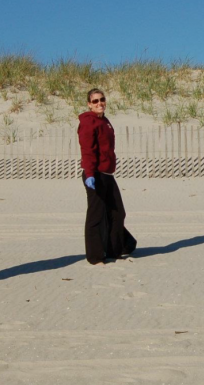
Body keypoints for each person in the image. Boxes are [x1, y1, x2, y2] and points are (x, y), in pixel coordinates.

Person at [77, 88, 136, 265]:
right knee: (96, 215)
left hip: (107, 174)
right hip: (94, 174)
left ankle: (114, 249)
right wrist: (89, 174)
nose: (99, 104)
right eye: (95, 101)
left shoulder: (105, 121)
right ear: (89, 104)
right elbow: (87, 151)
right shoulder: (88, 122)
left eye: (101, 100)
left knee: (118, 213)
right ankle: (95, 257)